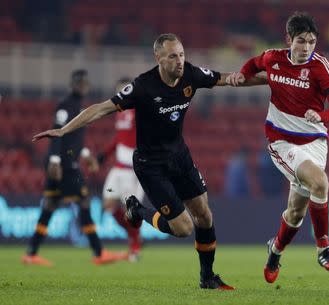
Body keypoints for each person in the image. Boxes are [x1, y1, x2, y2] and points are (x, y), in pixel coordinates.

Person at [32, 33, 265, 289]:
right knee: (183, 229)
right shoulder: (143, 86)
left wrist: (272, 81)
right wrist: (64, 130)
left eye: (182, 54)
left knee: (205, 216)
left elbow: (228, 78)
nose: (180, 61)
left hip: (180, 157)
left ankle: (207, 277)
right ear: (159, 58)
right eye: (173, 56)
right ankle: (138, 210)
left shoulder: (190, 74)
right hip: (151, 165)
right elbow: (100, 108)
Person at [228, 12, 329, 283]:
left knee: (295, 212)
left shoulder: (321, 66)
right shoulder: (274, 58)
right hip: (282, 142)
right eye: (301, 41)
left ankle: (275, 249)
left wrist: (322, 116)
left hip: (315, 142)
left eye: (312, 42)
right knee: (320, 183)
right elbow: (254, 63)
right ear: (289, 39)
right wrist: (242, 74)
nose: (306, 48)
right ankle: (323, 248)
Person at [22, 70, 127, 266]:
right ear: (74, 84)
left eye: (85, 82)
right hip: (64, 165)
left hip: (66, 162)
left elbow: (74, 138)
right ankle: (99, 252)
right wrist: (54, 160)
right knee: (84, 203)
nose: (83, 86)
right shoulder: (65, 105)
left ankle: (31, 252)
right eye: (80, 83)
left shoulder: (79, 107)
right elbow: (57, 131)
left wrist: (86, 154)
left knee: (50, 206)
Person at [97, 77, 146, 262]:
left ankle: (134, 248)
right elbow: (120, 137)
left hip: (134, 170)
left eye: (124, 90)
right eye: (118, 91)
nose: (121, 95)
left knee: (130, 211)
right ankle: (135, 238)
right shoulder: (120, 112)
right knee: (108, 206)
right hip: (118, 168)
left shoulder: (140, 110)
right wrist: (104, 154)